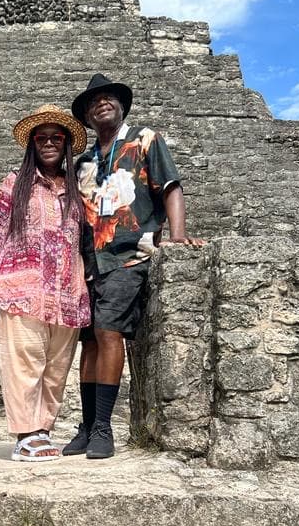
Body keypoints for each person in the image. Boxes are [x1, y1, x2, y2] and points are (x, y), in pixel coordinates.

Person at [62, 73, 203, 460]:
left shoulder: (144, 140)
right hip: (89, 262)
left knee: (108, 332)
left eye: (108, 98)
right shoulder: (83, 164)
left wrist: (177, 235)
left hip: (129, 255)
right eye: (94, 102)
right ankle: (87, 426)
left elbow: (170, 186)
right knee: (87, 343)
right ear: (88, 117)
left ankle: (104, 428)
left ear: (121, 105)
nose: (101, 103)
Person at [0, 104, 90, 461]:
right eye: (42, 138)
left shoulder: (77, 188)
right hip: (20, 287)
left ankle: (43, 430)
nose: (49, 143)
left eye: (57, 137)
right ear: (32, 145)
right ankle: (25, 434)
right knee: (24, 362)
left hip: (67, 291)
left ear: (67, 143)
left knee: (56, 368)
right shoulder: (15, 183)